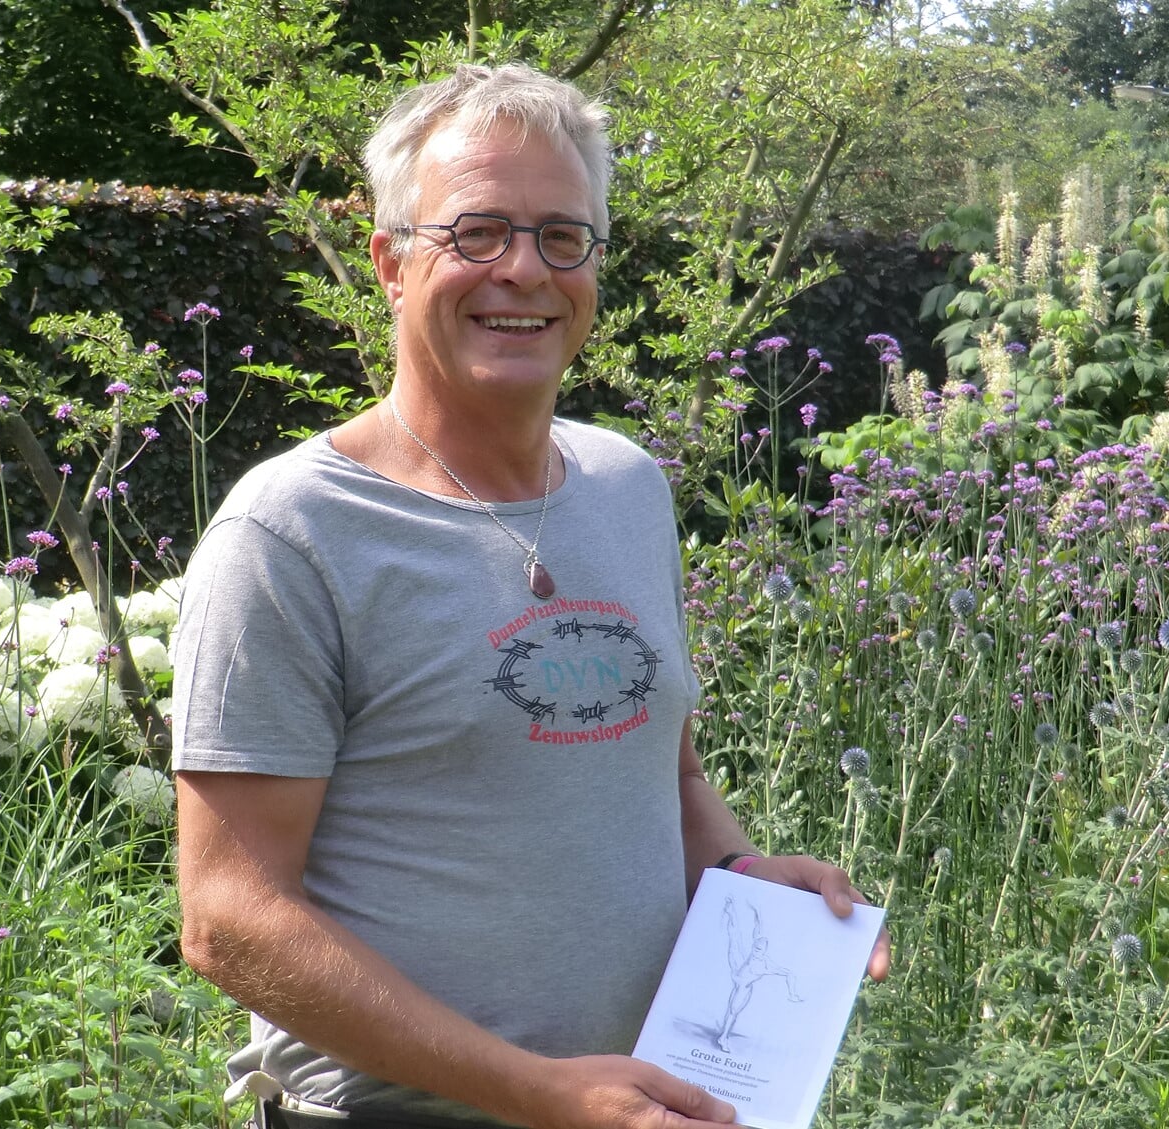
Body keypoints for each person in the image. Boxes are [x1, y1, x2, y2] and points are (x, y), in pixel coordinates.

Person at [169, 63, 888, 1129]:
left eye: (562, 237)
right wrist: (538, 1092)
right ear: (390, 261)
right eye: (476, 233)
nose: (523, 270)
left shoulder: (623, 487)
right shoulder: (291, 533)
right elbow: (228, 918)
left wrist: (736, 872)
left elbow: (661, 764)